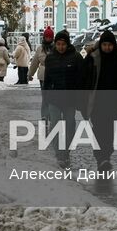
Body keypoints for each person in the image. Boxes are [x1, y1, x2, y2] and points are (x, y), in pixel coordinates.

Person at [81, 29, 117, 170]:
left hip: (112, 101)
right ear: (101, 45)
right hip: (96, 101)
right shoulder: (93, 58)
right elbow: (85, 77)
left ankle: (106, 155)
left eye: (110, 45)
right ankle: (100, 157)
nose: (107, 47)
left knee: (109, 129)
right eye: (105, 45)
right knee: (98, 128)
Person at [36, 29, 83, 166]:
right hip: (54, 98)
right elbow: (48, 79)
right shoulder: (50, 58)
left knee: (70, 125)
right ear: (55, 44)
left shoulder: (76, 57)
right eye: (58, 44)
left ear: (67, 44)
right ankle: (58, 153)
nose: (61, 47)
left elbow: (81, 78)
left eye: (63, 44)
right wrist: (46, 96)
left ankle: (66, 151)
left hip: (70, 99)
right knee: (55, 126)